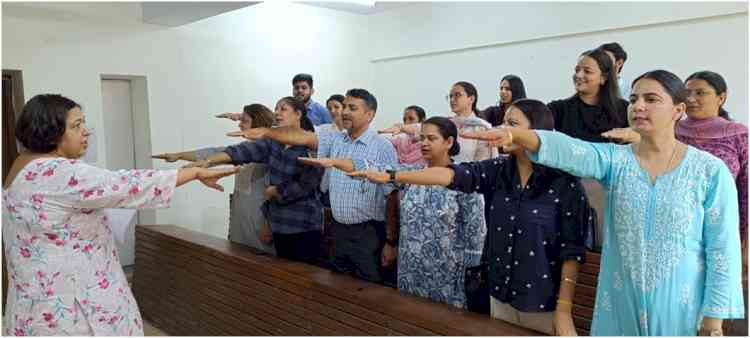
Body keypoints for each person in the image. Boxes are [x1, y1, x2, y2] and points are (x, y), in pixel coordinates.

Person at [462, 70, 745, 336]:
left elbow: (723, 248)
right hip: (619, 306)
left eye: (651, 99)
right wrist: (517, 134)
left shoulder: (709, 171)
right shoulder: (615, 160)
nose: (638, 106)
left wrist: (713, 318)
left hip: (682, 308)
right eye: (633, 99)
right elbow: (570, 150)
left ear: (678, 110)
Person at [347, 100, 592, 335]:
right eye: (503, 122)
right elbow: (453, 176)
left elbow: (572, 252)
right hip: (499, 296)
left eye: (513, 123)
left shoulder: (565, 184)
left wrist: (563, 309)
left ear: (537, 131)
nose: (502, 129)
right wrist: (393, 177)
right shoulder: (499, 170)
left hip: (542, 302)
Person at [2, 94, 237, 336]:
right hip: (74, 307)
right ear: (50, 132)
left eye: (84, 123)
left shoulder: (21, 166)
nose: (86, 132)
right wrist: (194, 173)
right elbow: (125, 184)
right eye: (76, 126)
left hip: (32, 302)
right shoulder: (57, 172)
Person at [301, 116, 487, 309]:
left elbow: (475, 226)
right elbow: (375, 168)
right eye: (421, 138)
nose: (424, 143)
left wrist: (470, 265)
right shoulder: (411, 173)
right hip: (411, 264)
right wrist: (336, 162)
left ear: (449, 142)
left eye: (431, 139)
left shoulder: (463, 180)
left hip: (446, 268)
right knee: (409, 314)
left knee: (443, 320)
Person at [229, 89, 399, 285]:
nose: (344, 112)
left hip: (368, 233)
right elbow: (301, 137)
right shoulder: (334, 139)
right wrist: (268, 132)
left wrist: (391, 241)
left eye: (352, 108)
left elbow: (392, 196)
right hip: (338, 228)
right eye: (344, 106)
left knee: (369, 289)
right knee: (337, 286)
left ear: (370, 115)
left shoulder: (382, 147)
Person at [199, 97, 324, 264]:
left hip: (303, 223)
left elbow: (307, 183)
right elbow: (241, 151)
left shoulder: (311, 143)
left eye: (283, 109)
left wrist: (277, 191)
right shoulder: (273, 143)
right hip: (279, 223)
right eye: (276, 109)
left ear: (298, 114)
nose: (277, 113)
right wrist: (208, 162)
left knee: (305, 278)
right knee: (283, 279)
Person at [676, 70, 748, 336]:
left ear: (721, 97)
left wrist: (746, 240)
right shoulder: (671, 130)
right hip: (680, 231)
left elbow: (747, 189)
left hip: (722, 231)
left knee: (715, 305)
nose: (692, 99)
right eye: (687, 93)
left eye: (701, 93)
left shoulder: (738, 133)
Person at [151, 103, 277, 254]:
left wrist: (268, 225)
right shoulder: (243, 149)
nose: (240, 124)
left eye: (244, 120)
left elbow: (275, 196)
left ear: (257, 124)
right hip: (241, 220)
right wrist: (178, 155)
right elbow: (213, 152)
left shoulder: (271, 153)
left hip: (260, 224)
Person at [547, 48, 629, 144]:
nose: (579, 75)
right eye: (577, 70)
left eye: (587, 71)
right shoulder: (559, 109)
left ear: (603, 77)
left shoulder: (625, 110)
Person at [447, 81, 498, 163]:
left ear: (471, 99)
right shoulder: (446, 124)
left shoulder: (482, 127)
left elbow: (482, 163)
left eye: (457, 95)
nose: (452, 100)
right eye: (450, 96)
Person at [317, 94, 347, 207]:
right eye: (329, 108)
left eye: (336, 107)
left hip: (347, 183)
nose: (332, 111)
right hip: (328, 183)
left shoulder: (353, 132)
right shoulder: (325, 129)